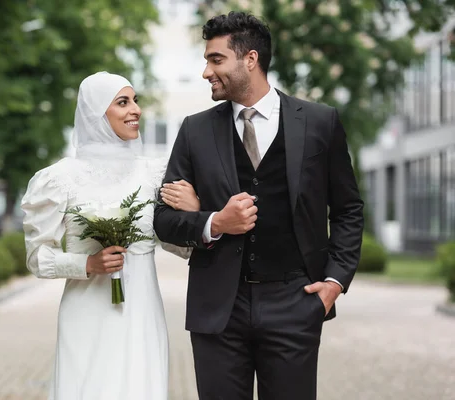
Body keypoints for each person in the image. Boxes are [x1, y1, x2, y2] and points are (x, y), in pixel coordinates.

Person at [154, 11, 364, 400]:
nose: (206, 72)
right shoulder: (194, 130)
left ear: (250, 59)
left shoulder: (319, 122)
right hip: (217, 307)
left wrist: (334, 283)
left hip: (296, 302)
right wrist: (215, 222)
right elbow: (164, 220)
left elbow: (348, 209)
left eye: (215, 60)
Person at [20, 72, 198, 400]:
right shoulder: (59, 179)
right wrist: (87, 263)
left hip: (142, 315)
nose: (136, 110)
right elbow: (37, 258)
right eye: (122, 102)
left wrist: (199, 215)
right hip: (86, 313)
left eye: (135, 101)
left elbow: (179, 244)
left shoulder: (153, 175)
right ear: (96, 114)